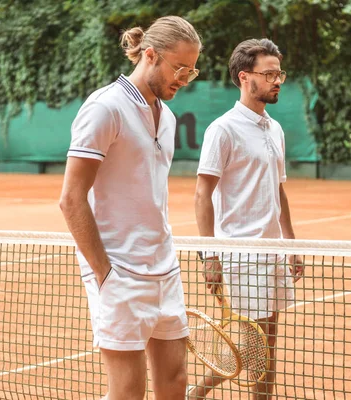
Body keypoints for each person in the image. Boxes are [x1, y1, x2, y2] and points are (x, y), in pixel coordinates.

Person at [59, 16, 202, 400]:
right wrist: (105, 273)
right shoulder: (106, 108)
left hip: (164, 268)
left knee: (174, 383)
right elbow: (71, 197)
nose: (184, 79)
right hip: (119, 270)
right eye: (179, 68)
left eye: (191, 70)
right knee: (128, 392)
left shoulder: (168, 117)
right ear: (150, 55)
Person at [189, 38, 304, 400]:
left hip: (272, 252)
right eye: (269, 74)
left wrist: (291, 244)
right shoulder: (222, 130)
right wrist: (210, 256)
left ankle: (202, 392)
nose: (277, 80)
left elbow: (278, 190)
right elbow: (201, 194)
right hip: (241, 254)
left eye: (279, 73)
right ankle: (198, 390)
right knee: (255, 344)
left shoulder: (275, 129)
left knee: (266, 342)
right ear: (244, 77)